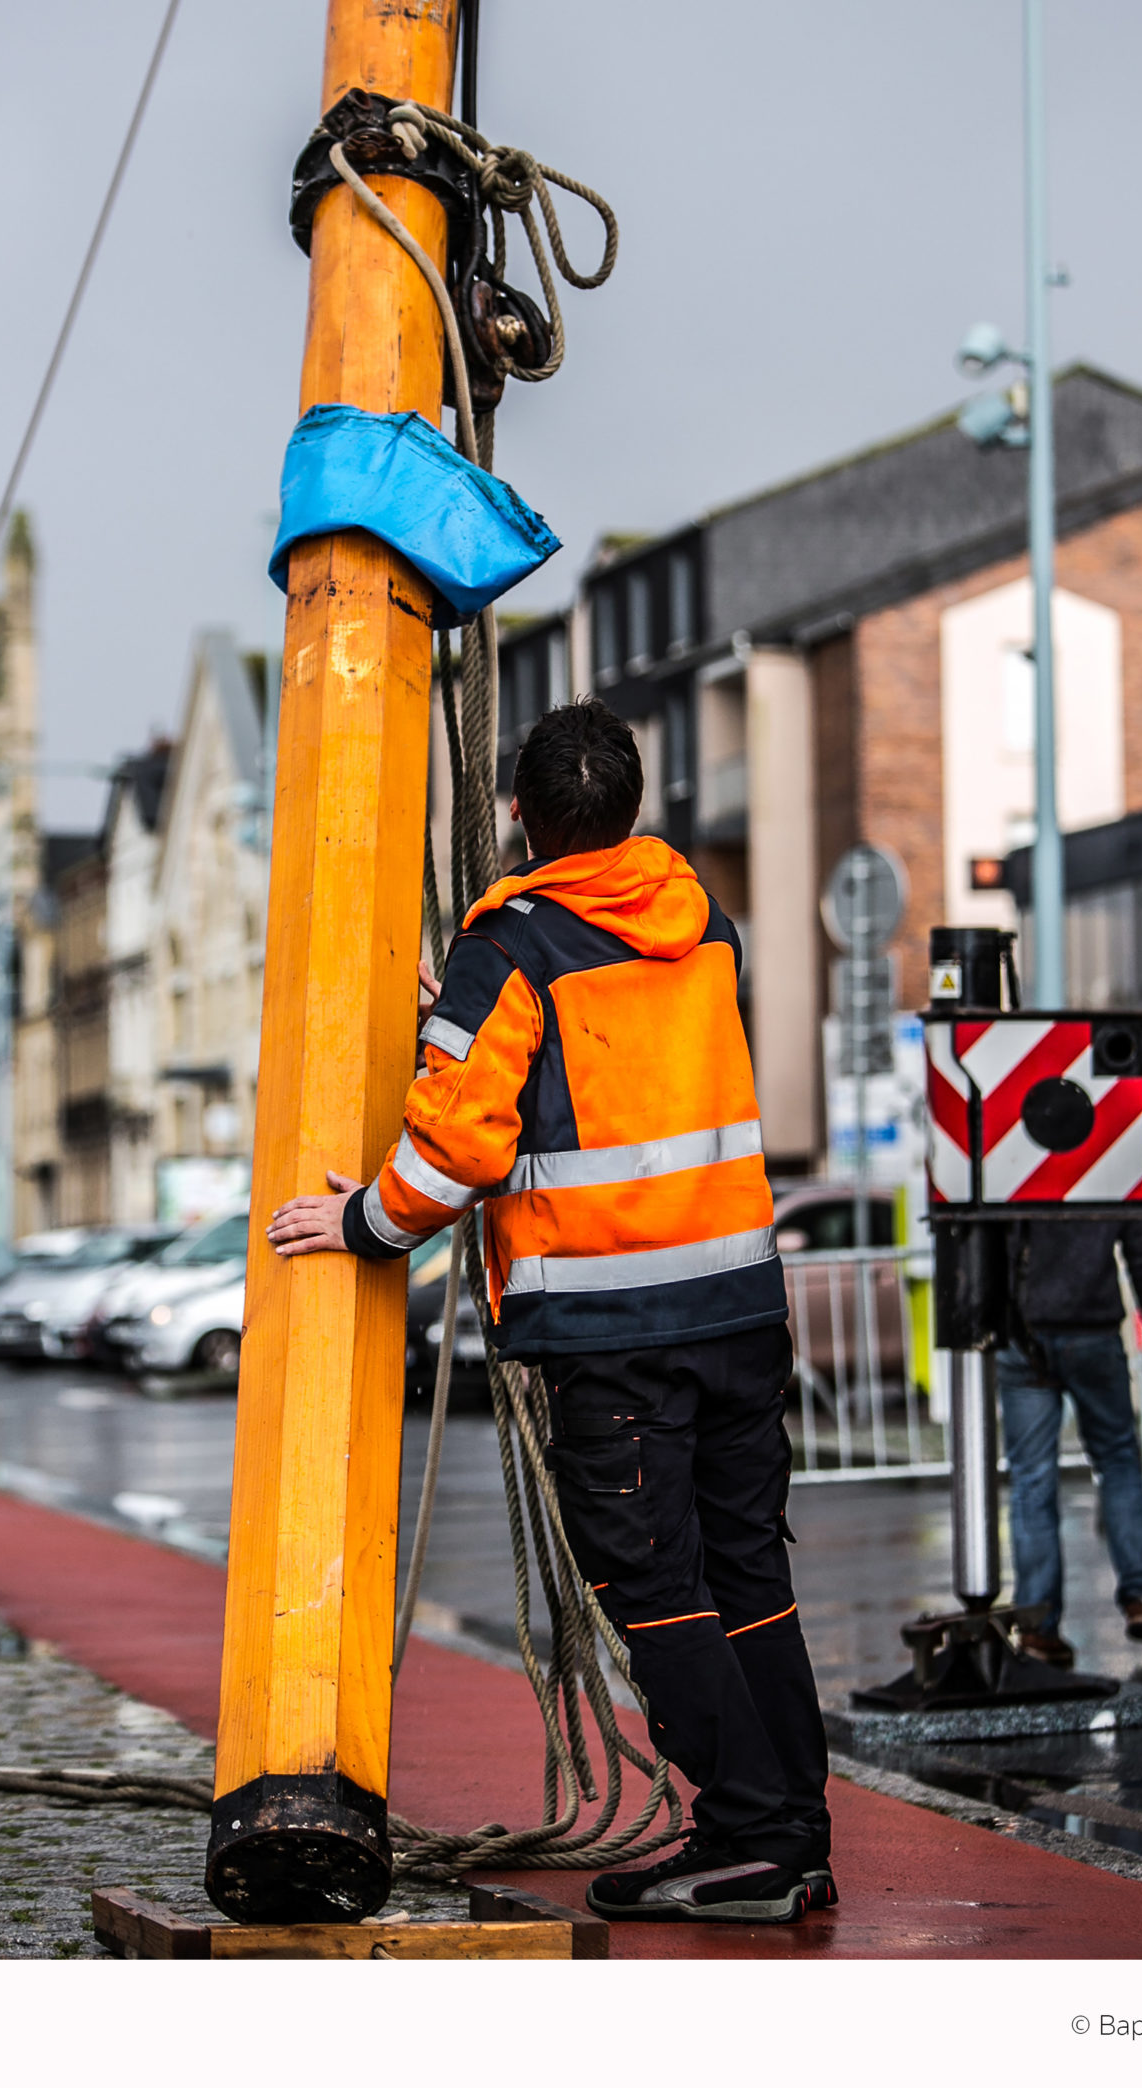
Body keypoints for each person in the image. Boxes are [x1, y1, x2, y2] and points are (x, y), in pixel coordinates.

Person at [267, 697, 837, 1926]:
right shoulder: (702, 922)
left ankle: (751, 1840)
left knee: (657, 1586)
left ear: (517, 814)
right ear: (628, 807)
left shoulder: (514, 942)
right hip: (738, 1313)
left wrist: (361, 1222)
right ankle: (794, 1826)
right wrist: (459, 1008)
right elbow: (606, 1077)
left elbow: (464, 1147)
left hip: (612, 1332)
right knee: (750, 1575)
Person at [999, 1217, 1142, 1667]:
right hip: (1093, 1330)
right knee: (1118, 1462)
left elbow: (986, 1242)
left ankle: (1038, 1625)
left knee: (1032, 1480)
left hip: (1023, 1330)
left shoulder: (1011, 1151)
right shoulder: (1109, 1152)